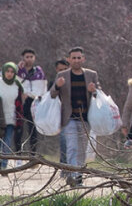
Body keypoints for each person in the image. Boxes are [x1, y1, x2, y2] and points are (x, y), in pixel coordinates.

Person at [49, 47, 101, 188]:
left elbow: (99, 95)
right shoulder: (62, 75)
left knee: (83, 149)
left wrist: (94, 91)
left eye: (79, 58)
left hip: (86, 118)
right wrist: (57, 86)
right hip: (69, 118)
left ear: (83, 59)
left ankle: (78, 176)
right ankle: (73, 176)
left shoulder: (91, 75)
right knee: (72, 147)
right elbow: (52, 94)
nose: (76, 60)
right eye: (74, 58)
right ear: (69, 59)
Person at [0, 62, 24, 172]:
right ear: (3, 72)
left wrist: (19, 121)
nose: (9, 74)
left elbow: (19, 105)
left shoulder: (17, 86)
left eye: (12, 72)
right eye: (7, 71)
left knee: (7, 143)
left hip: (11, 118)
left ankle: (3, 166)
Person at [15, 49, 45, 157]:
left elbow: (42, 87)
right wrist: (17, 68)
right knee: (18, 128)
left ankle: (33, 154)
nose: (29, 59)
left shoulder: (38, 71)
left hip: (33, 103)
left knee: (33, 129)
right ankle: (17, 154)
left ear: (34, 58)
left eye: (31, 57)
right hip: (20, 102)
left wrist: (31, 95)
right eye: (27, 57)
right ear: (23, 58)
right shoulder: (18, 70)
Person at [47, 58, 70, 165]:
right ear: (56, 70)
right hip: (59, 116)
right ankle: (64, 165)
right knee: (64, 141)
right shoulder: (53, 83)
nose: (63, 72)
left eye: (65, 69)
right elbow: (50, 96)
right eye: (61, 70)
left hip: (73, 115)